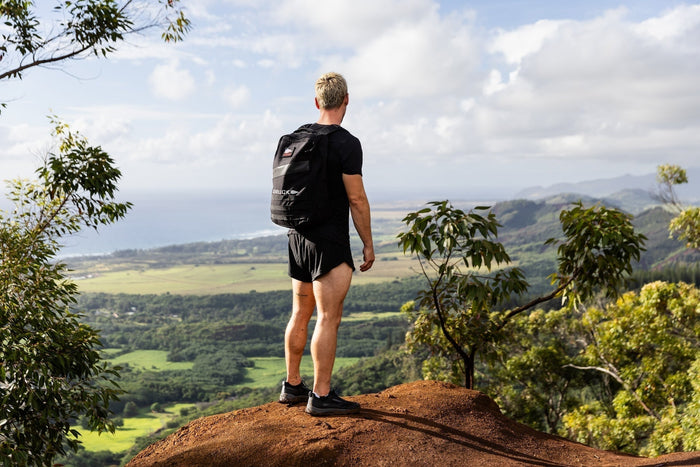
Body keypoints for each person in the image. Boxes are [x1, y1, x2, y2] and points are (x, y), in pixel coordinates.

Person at [278, 72, 374, 416]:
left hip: (297, 238)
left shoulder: (296, 137)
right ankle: (320, 396)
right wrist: (368, 244)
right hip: (328, 242)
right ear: (346, 100)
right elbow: (357, 199)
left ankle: (291, 385)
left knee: (300, 312)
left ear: (317, 102)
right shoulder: (346, 143)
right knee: (329, 317)